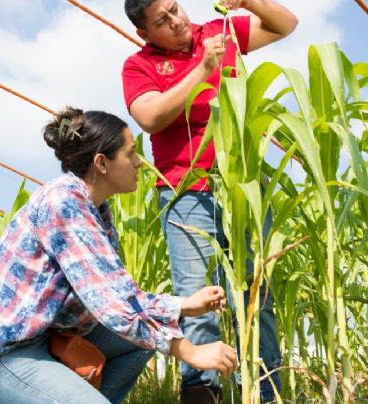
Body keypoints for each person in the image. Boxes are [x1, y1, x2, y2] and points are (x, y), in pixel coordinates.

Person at [0, 107, 238, 404]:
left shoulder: (96, 209)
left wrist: (184, 305)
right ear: (102, 163)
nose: (139, 162)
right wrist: (191, 351)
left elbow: (121, 291)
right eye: (131, 153)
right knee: (144, 333)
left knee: (140, 341)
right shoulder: (64, 203)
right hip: (4, 351)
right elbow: (113, 302)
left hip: (46, 339)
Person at [121, 1, 298, 402]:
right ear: (144, 34)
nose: (176, 21)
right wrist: (203, 70)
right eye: (162, 21)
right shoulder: (139, 65)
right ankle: (202, 393)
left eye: (175, 8)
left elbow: (285, 25)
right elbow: (149, 116)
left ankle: (264, 392)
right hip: (186, 191)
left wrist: (248, 2)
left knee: (257, 294)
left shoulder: (219, 32)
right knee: (197, 298)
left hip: (244, 185)